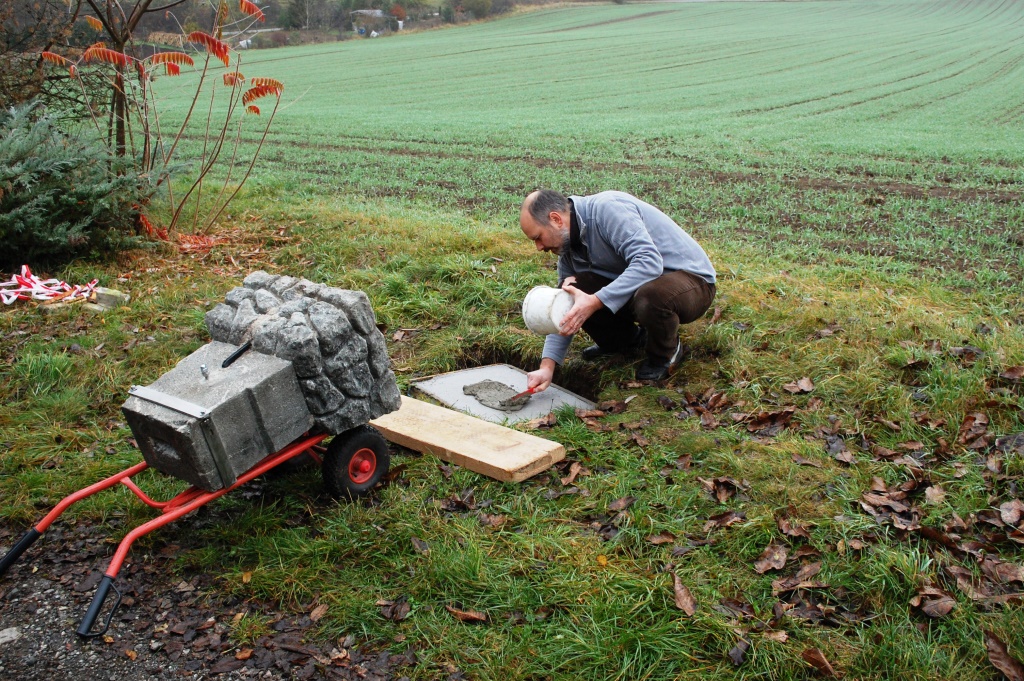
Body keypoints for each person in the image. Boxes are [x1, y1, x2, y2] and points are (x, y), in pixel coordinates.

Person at [520, 189, 716, 388]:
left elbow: (649, 262)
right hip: (645, 285)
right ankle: (629, 342)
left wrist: (596, 301)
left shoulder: (608, 210)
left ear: (556, 219)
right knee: (576, 289)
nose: (538, 247)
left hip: (692, 282)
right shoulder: (568, 250)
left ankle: (665, 353)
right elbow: (562, 307)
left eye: (538, 237)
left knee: (651, 297)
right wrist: (547, 366)